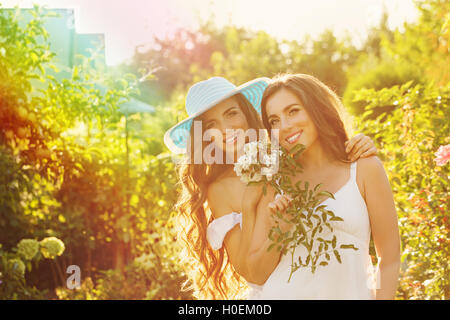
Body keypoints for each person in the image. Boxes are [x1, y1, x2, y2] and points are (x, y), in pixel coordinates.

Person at [164, 76, 378, 299]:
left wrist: (358, 143)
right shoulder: (220, 190)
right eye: (211, 124)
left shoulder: (284, 155)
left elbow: (328, 163)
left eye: (231, 113)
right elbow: (250, 273)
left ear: (246, 113)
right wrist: (249, 206)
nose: (226, 129)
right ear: (204, 136)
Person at [243, 73, 400, 299]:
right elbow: (256, 275)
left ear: (316, 108)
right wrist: (280, 232)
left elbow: (390, 258)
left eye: (293, 111)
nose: (285, 126)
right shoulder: (274, 181)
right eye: (274, 121)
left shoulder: (364, 168)